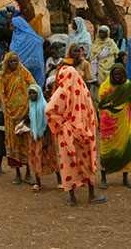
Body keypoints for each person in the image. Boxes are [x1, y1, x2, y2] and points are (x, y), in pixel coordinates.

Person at [45, 65, 107, 206]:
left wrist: (63, 123)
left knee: (69, 164)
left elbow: (49, 109)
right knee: (88, 162)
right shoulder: (84, 90)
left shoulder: (62, 91)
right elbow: (91, 112)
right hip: (85, 133)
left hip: (68, 135)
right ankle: (92, 195)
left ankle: (72, 198)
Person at [0, 52, 36, 184]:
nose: (14, 64)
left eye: (15, 61)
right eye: (11, 62)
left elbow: (34, 87)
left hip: (25, 115)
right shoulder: (2, 77)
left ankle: (28, 173)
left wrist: (30, 107)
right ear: (6, 63)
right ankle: (17, 173)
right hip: (10, 117)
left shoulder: (24, 72)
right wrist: (1, 103)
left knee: (26, 143)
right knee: (13, 143)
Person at [97, 63, 131, 188]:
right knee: (106, 149)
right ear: (111, 75)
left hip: (124, 121)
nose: (118, 77)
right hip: (109, 124)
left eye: (120, 74)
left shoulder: (127, 86)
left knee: (126, 148)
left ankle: (125, 178)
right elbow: (102, 106)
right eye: (115, 74)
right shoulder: (104, 87)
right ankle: (103, 178)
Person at [26, 83, 60, 191]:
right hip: (35, 137)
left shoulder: (44, 106)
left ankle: (59, 180)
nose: (32, 96)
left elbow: (49, 124)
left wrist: (46, 140)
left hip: (45, 136)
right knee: (36, 158)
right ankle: (38, 182)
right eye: (30, 94)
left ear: (39, 94)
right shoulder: (31, 106)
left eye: (34, 93)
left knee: (51, 158)